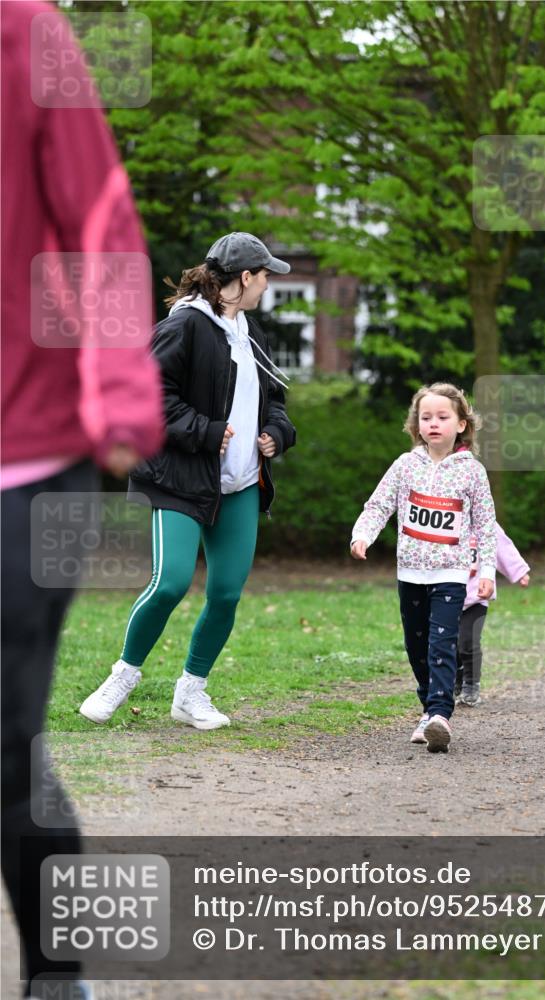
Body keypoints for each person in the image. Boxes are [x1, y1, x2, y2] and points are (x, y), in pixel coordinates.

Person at [1, 3, 164, 998]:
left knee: (3, 735)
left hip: (27, 455)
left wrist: (118, 385)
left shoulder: (26, 33)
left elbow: (99, 217)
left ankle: (58, 976)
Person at [79, 233, 297, 730]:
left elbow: (276, 399)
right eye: (265, 276)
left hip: (240, 484)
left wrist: (276, 434)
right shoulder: (185, 326)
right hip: (177, 479)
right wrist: (206, 432)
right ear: (245, 277)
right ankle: (123, 676)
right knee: (170, 582)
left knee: (225, 594)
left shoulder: (250, 331)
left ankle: (190, 693)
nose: (268, 285)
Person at [350, 383, 496, 753]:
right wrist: (363, 534)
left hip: (451, 573)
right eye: (425, 417)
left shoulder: (472, 472)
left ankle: (439, 714)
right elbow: (379, 505)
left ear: (462, 424)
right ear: (416, 425)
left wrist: (489, 573)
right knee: (416, 647)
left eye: (442, 417)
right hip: (410, 573)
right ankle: (428, 710)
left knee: (441, 644)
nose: (433, 423)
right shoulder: (405, 465)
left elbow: (485, 525)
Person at [454, 523, 530, 709]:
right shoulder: (448, 518)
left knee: (468, 642)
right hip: (446, 595)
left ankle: (471, 685)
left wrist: (519, 571)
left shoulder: (485, 523)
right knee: (449, 644)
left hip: (476, 597)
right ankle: (455, 681)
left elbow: (503, 547)